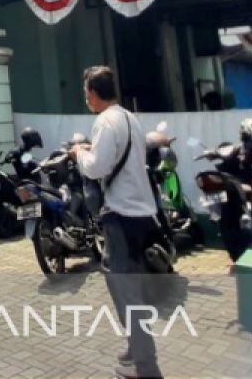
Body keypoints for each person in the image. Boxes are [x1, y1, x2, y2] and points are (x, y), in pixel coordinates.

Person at [71, 66, 163, 379]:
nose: (86, 100)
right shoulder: (129, 118)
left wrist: (78, 155)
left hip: (120, 217)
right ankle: (136, 348)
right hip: (141, 214)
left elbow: (96, 168)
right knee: (131, 286)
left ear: (94, 94)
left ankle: (146, 367)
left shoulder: (104, 121)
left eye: (86, 94)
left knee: (126, 291)